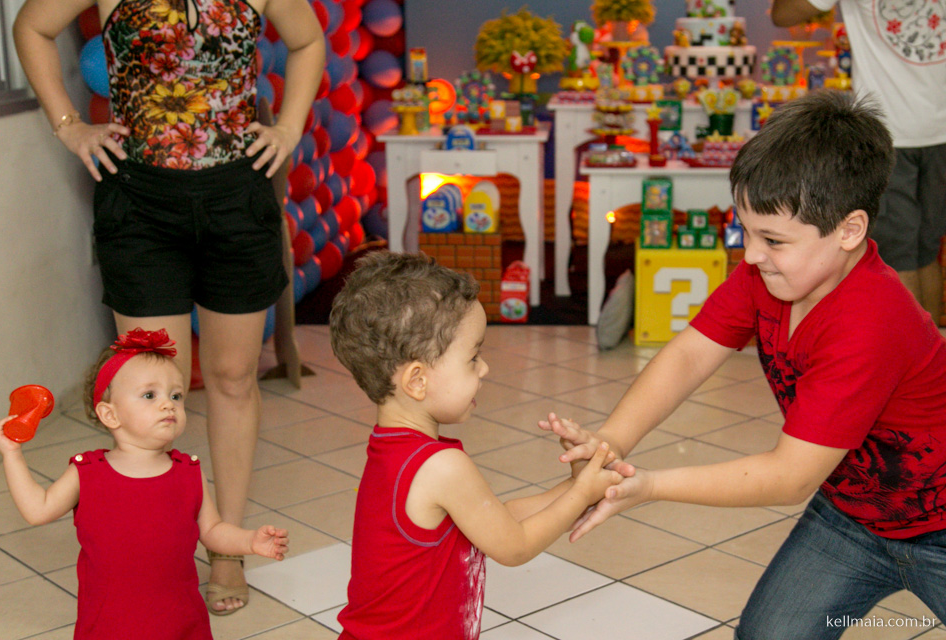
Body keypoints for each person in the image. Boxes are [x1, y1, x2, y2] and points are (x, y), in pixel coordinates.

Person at [542, 91, 946, 640]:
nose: (751, 254)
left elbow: (789, 476)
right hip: (851, 514)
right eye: (747, 231)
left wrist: (649, 485)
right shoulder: (768, 275)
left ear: (850, 230)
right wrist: (611, 442)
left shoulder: (871, 320)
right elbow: (689, 355)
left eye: (773, 239)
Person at [12, 0, 324, 614]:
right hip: (140, 203)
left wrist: (288, 128)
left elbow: (309, 41)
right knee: (156, 385)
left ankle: (226, 546)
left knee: (233, 377)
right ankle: (164, 546)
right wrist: (68, 124)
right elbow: (31, 25)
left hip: (237, 198)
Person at [328, 252, 622, 640]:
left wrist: (576, 486)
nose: (484, 368)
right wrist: (582, 493)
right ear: (417, 381)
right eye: (473, 357)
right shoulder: (441, 466)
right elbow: (514, 547)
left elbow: (494, 522)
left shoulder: (392, 450)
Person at [0, 328, 289, 639]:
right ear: (110, 414)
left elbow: (212, 531)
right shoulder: (86, 473)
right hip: (109, 626)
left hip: (179, 622)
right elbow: (38, 510)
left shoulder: (188, 472)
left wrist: (249, 541)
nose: (168, 405)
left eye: (176, 396)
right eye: (150, 395)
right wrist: (12, 455)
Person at [772, 0, 946, 323]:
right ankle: (932, 354)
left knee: (898, 256)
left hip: (893, 134)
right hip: (934, 133)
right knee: (926, 252)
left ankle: (906, 354)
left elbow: (783, 13)